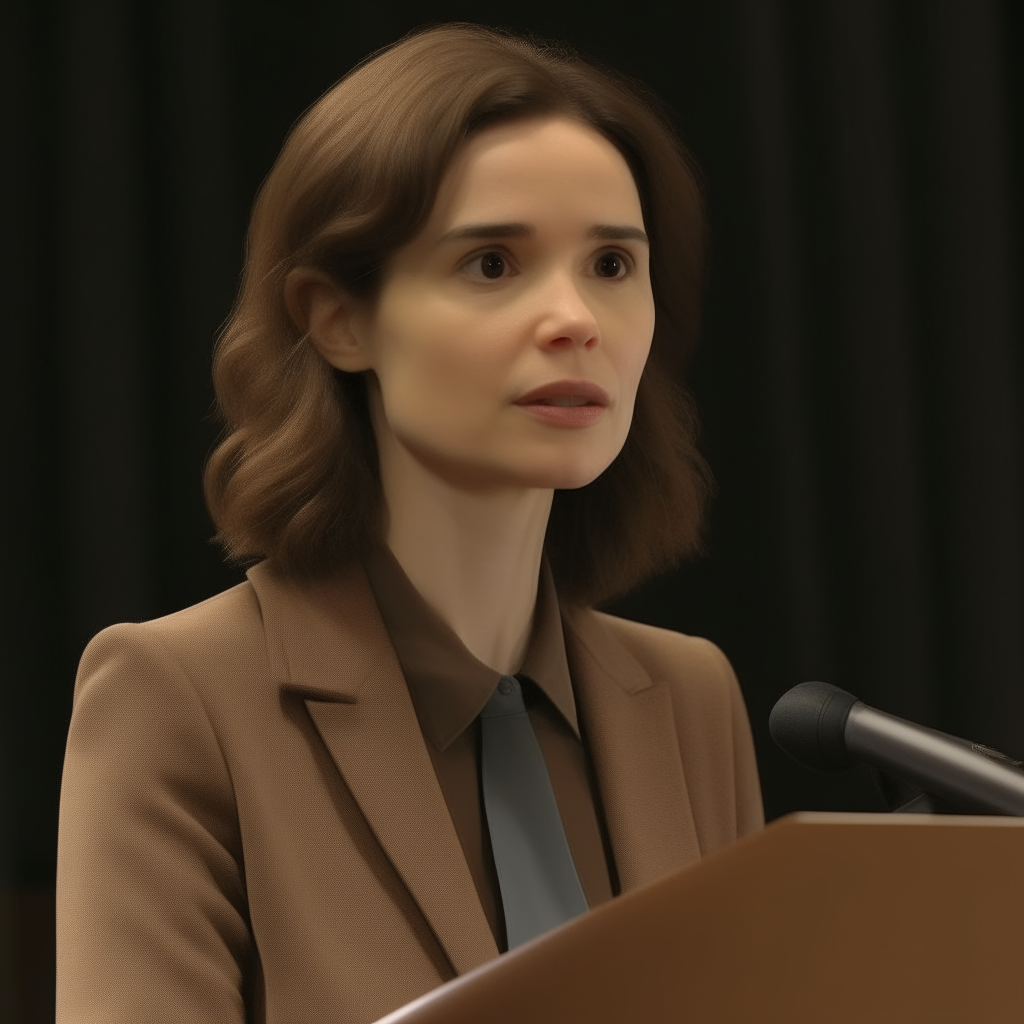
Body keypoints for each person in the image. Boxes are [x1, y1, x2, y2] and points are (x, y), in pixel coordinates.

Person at [56, 21, 763, 1024]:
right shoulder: (177, 699)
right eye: (491, 263)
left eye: (611, 263)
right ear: (336, 317)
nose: (575, 318)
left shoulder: (691, 698)